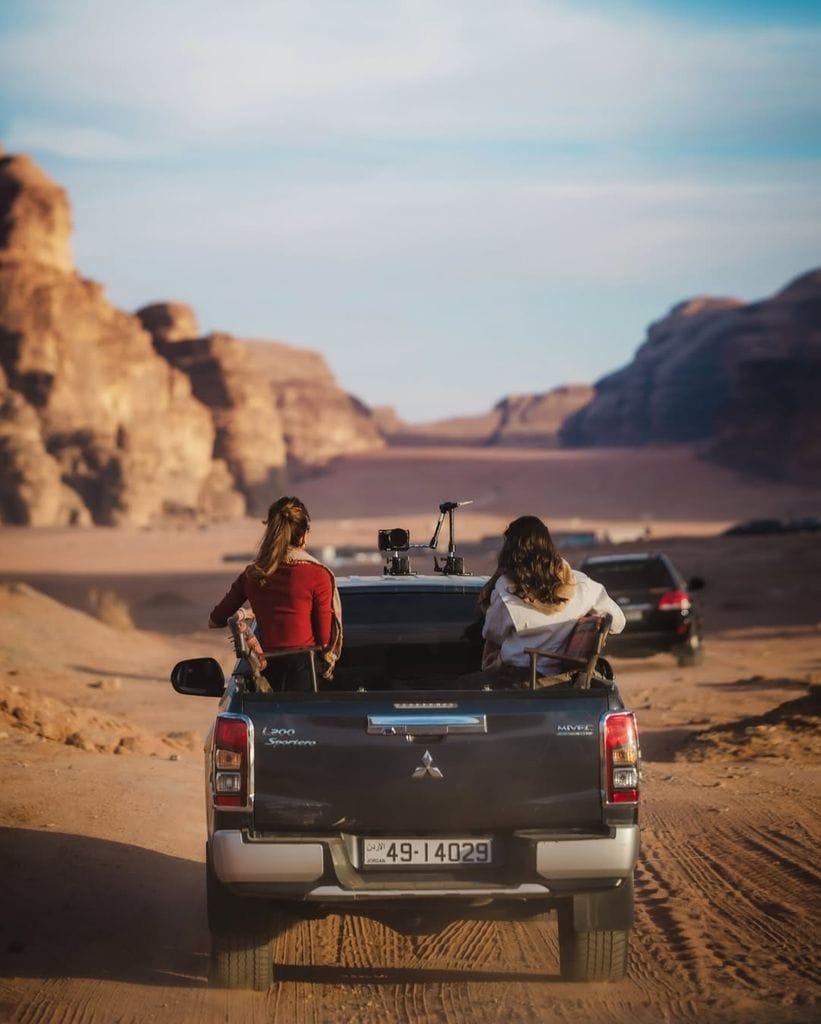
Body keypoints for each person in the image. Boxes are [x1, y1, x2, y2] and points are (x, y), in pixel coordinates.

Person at [208, 496, 342, 690]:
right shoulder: (318, 575)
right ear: (303, 535)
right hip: (305, 677)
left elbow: (215, 620)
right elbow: (324, 641)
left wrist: (249, 613)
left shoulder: (251, 575)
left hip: (265, 677)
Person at [479, 515, 625, 681]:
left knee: (462, 686)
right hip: (561, 680)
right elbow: (618, 623)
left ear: (510, 550)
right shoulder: (583, 585)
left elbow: (491, 633)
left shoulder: (505, 588)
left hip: (517, 681)